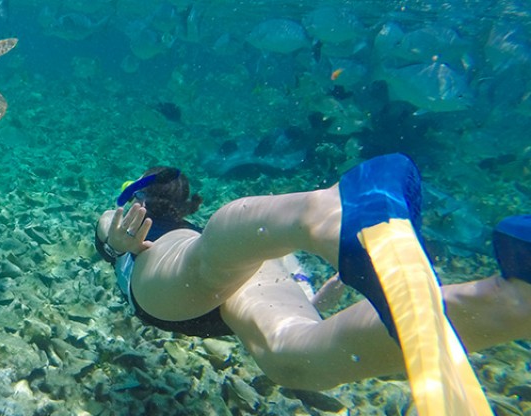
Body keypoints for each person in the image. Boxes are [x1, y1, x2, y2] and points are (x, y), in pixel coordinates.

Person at [95, 154, 531, 391]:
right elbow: (275, 258)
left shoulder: (129, 220)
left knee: (202, 268)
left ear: (137, 191)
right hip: (256, 268)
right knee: (293, 360)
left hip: (164, 262)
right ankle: (509, 304)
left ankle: (324, 209)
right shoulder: (186, 226)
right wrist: (306, 297)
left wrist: (119, 244)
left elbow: (107, 237)